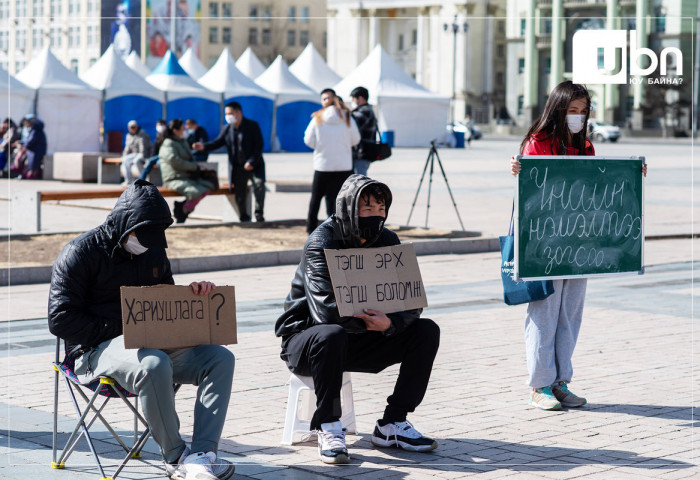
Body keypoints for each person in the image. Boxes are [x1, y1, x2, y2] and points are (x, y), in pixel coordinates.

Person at [48, 180, 235, 480]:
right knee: (154, 363)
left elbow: (168, 305)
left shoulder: (153, 251)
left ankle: (203, 454)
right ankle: (176, 457)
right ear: (126, 226)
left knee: (220, 359)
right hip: (93, 351)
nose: (147, 244)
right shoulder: (79, 252)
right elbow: (59, 319)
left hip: (149, 342)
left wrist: (195, 293)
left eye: (154, 237)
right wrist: (124, 328)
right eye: (142, 237)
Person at [275, 174, 440, 465]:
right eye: (367, 209)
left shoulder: (387, 239)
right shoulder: (321, 241)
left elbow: (410, 303)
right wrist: (371, 324)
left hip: (362, 337)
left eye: (381, 208)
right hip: (308, 340)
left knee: (426, 331)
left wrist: (391, 325)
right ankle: (327, 424)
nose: (376, 215)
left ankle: (393, 424)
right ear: (350, 209)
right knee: (331, 333)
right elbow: (324, 311)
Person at [510, 80, 647, 411]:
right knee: (544, 312)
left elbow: (597, 189)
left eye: (583, 111)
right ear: (557, 110)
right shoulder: (537, 142)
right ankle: (539, 385)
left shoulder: (585, 146)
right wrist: (517, 170)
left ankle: (561, 382)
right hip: (544, 244)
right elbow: (532, 187)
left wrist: (629, 176)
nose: (578, 117)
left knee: (570, 313)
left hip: (579, 243)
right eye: (572, 111)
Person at [193, 102, 266, 223]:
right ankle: (244, 217)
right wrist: (203, 147)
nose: (228, 116)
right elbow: (217, 142)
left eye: (230, 113)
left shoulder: (252, 126)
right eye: (226, 114)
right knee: (239, 193)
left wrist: (251, 161)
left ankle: (259, 214)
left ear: (239, 112)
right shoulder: (227, 129)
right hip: (238, 167)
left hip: (254, 164)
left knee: (259, 185)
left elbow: (259, 146)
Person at [303, 88, 360, 234]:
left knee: (316, 197)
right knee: (341, 200)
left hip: (323, 164)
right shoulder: (347, 117)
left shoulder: (318, 117)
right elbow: (356, 139)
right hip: (344, 165)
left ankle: (311, 228)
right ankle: (340, 228)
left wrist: (321, 147)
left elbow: (308, 140)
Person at [160, 119, 216, 223]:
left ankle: (183, 208)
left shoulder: (182, 141)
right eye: (182, 128)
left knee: (209, 186)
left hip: (186, 176)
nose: (185, 129)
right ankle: (182, 211)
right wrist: (193, 166)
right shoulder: (168, 143)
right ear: (175, 131)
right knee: (196, 192)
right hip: (174, 177)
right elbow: (174, 161)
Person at [349, 86, 377, 176]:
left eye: (353, 98)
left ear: (360, 98)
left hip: (362, 153)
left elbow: (352, 124)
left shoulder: (365, 111)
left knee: (360, 180)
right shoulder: (364, 110)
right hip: (361, 152)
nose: (353, 101)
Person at [11, 114, 46, 179]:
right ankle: (23, 175)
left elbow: (31, 141)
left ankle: (27, 175)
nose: (25, 123)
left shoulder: (36, 130)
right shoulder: (33, 129)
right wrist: (20, 142)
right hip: (33, 150)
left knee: (24, 160)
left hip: (35, 151)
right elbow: (28, 140)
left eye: (26, 121)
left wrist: (24, 146)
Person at [121, 120, 153, 185]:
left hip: (144, 153)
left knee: (136, 161)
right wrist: (124, 156)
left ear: (137, 127)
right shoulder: (128, 135)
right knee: (125, 160)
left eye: (134, 127)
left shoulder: (142, 133)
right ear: (128, 128)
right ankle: (129, 180)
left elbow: (143, 147)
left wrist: (144, 158)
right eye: (131, 127)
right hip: (135, 154)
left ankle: (143, 179)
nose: (133, 128)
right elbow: (127, 148)